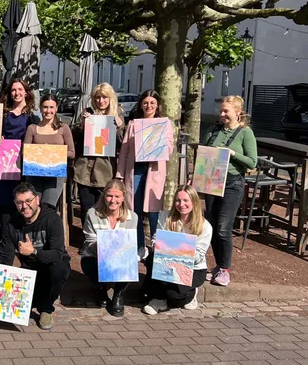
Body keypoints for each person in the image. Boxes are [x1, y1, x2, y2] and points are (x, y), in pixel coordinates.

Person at [200, 95, 258, 287]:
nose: (222, 114)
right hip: (211, 180)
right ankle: (217, 266)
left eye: (226, 111)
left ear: (238, 112)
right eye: (221, 111)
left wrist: (233, 153)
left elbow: (252, 162)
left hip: (232, 182)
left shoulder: (245, 133)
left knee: (224, 227)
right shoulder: (213, 130)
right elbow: (202, 153)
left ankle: (225, 268)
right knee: (212, 225)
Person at [0, 183, 69, 330]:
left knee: (58, 269)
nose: (24, 206)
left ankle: (46, 309)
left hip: (52, 264)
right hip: (29, 268)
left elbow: (57, 254)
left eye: (28, 201)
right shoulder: (12, 223)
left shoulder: (52, 220)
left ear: (37, 199)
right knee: (15, 309)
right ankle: (32, 302)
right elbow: (6, 255)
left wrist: (34, 252)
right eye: (19, 203)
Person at [117, 89, 173, 258]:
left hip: (153, 171)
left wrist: (160, 144)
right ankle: (140, 246)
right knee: (135, 211)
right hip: (135, 171)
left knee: (154, 211)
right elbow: (125, 150)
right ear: (141, 104)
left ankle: (158, 247)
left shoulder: (164, 124)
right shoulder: (134, 124)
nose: (149, 105)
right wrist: (120, 173)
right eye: (146, 102)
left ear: (157, 105)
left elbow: (170, 147)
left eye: (152, 103)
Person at [142, 186, 212, 314]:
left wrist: (182, 250)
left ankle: (192, 292)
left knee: (175, 296)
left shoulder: (205, 226)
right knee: (151, 259)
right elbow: (155, 239)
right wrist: (165, 248)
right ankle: (159, 299)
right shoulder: (165, 216)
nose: (181, 204)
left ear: (194, 202)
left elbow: (200, 256)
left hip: (193, 268)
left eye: (186, 200)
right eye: (178, 200)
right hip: (167, 262)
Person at [79, 179, 137, 317]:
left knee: (131, 260)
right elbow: (89, 241)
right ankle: (99, 288)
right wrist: (103, 246)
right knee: (89, 262)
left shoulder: (132, 217)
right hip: (96, 255)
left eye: (117, 197)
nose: (113, 200)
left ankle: (119, 293)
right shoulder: (92, 214)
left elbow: (130, 244)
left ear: (123, 197)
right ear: (104, 196)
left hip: (120, 257)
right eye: (109, 196)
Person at [74, 83, 124, 221]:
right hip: (85, 168)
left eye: (104, 97)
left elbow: (123, 144)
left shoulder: (117, 115)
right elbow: (75, 139)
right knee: (86, 207)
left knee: (104, 206)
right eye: (97, 97)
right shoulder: (88, 112)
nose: (100, 101)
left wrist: (120, 127)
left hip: (106, 169)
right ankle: (87, 238)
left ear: (110, 98)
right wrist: (82, 125)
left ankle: (101, 237)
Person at [0, 78, 39, 213]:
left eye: (20, 89)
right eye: (13, 90)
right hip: (5, 161)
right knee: (6, 199)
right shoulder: (3, 113)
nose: (16, 93)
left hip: (24, 162)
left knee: (23, 197)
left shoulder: (33, 115)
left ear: (26, 93)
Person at [23, 94, 75, 207]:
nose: (48, 111)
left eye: (51, 107)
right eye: (45, 107)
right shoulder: (32, 128)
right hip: (35, 175)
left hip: (55, 176)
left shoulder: (63, 128)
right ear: (41, 108)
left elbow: (71, 152)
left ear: (56, 108)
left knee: (48, 207)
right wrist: (40, 152)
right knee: (33, 207)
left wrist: (52, 153)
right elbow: (25, 152)